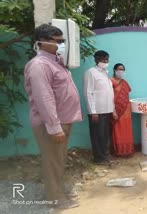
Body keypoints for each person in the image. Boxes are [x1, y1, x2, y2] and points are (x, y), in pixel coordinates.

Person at [24, 24, 82, 209]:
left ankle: (58, 192)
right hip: (51, 124)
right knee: (52, 161)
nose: (62, 44)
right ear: (43, 42)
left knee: (58, 159)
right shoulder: (39, 65)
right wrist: (54, 127)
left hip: (62, 121)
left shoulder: (55, 61)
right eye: (59, 41)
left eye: (63, 41)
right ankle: (55, 199)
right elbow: (44, 98)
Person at [83, 50, 118, 165]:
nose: (105, 61)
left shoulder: (104, 73)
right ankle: (98, 158)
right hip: (97, 111)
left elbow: (109, 93)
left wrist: (112, 110)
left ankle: (104, 156)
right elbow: (88, 92)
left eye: (107, 59)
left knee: (104, 135)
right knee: (97, 135)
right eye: (103, 59)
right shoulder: (91, 72)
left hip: (106, 110)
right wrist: (93, 112)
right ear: (96, 60)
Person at [110, 63, 135, 156]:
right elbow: (109, 97)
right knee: (117, 130)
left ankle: (127, 151)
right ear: (114, 70)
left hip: (126, 111)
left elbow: (126, 95)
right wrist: (113, 111)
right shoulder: (110, 81)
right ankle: (118, 151)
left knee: (126, 130)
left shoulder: (125, 82)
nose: (121, 71)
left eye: (123, 70)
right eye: (119, 69)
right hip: (116, 111)